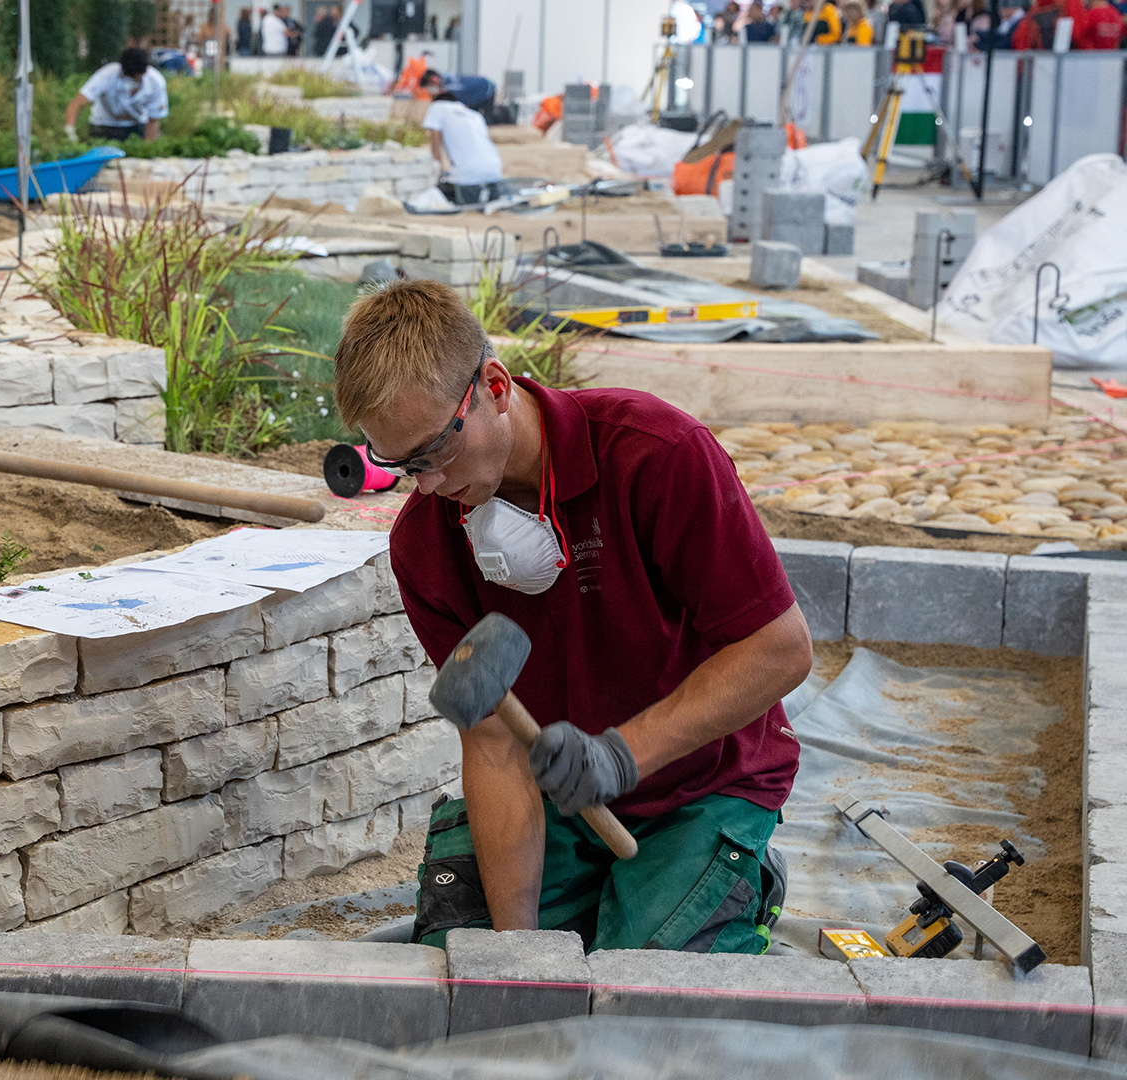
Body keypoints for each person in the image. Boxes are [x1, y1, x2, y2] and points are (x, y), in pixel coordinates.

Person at [332, 278, 811, 955]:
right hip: (557, 805)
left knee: (642, 992)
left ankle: (742, 878)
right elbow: (497, 745)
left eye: (435, 449)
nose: (428, 484)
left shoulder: (655, 455)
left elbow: (781, 649)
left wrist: (621, 757)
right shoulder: (425, 544)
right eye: (400, 463)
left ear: (494, 386)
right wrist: (514, 954)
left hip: (699, 787)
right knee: (466, 956)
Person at [418, 70, 503, 204]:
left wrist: (436, 170)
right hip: (494, 170)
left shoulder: (436, 108)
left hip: (468, 175)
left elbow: (435, 144)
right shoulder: (474, 115)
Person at [65, 47, 169, 141]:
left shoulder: (155, 82)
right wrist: (70, 130)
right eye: (128, 78)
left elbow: (154, 119)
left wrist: (147, 147)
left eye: (136, 78)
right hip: (104, 126)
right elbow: (77, 103)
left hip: (136, 126)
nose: (132, 82)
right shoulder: (107, 75)